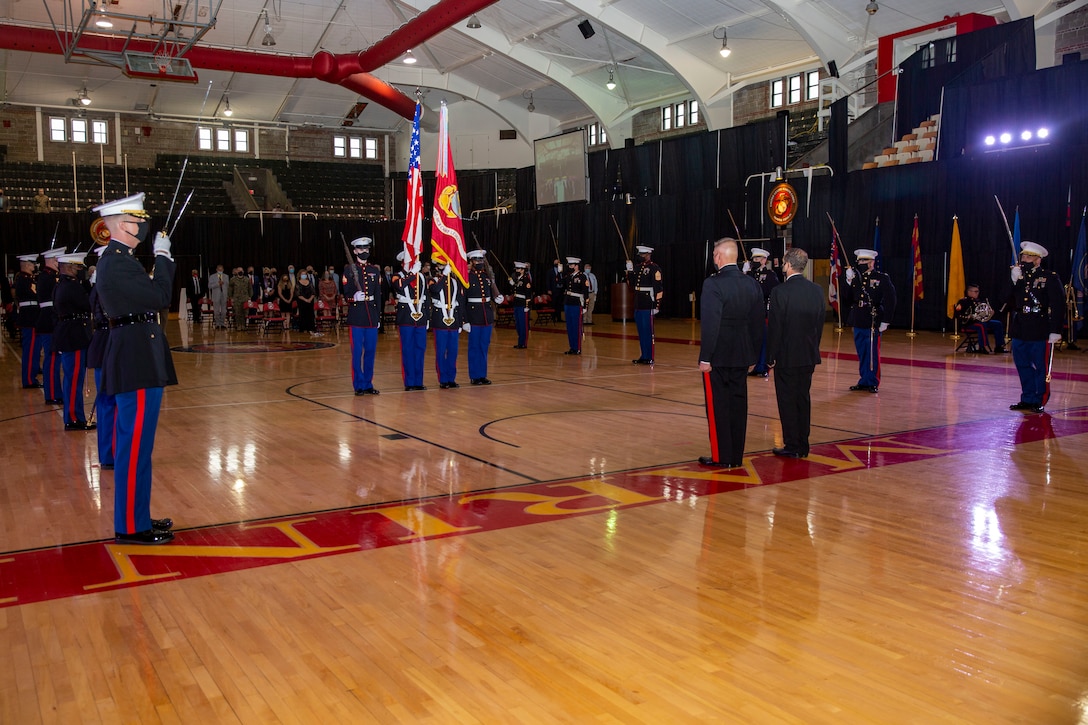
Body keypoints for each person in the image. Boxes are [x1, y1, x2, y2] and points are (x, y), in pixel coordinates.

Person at [93, 192, 176, 545]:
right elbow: (159, 298)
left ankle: (137, 517)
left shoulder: (120, 260)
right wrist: (163, 256)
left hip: (138, 355)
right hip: (136, 359)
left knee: (139, 447)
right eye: (138, 221)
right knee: (134, 447)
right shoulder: (117, 262)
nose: (142, 226)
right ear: (122, 225)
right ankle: (130, 526)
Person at [697, 237, 764, 468]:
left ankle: (721, 456)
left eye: (715, 255)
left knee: (718, 408)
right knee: (738, 405)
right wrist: (754, 355)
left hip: (718, 356)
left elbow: (710, 324)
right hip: (743, 355)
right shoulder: (752, 284)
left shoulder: (713, 284)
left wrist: (705, 357)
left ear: (718, 257)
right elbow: (757, 324)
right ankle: (735, 456)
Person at [767, 248, 825, 458]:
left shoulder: (780, 292)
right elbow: (819, 325)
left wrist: (770, 356)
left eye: (783, 263)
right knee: (803, 399)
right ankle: (803, 444)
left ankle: (792, 445)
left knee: (787, 401)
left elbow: (775, 328)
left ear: (789, 265)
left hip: (787, 356)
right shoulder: (817, 290)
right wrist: (813, 347)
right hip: (808, 355)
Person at [1007, 241, 1064, 413]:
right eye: (1023, 255)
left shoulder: (1049, 277)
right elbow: (1004, 299)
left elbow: (1058, 304)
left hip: (1039, 328)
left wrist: (1056, 330)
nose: (1025, 259)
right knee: (1022, 365)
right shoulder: (1019, 276)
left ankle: (1040, 399)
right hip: (1020, 328)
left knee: (1040, 366)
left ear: (1038, 260)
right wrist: (1013, 280)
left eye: (1029, 256)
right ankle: (1027, 398)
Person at [840, 248, 896, 393]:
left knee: (872, 353)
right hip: (858, 318)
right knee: (862, 352)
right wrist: (848, 281)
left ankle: (873, 381)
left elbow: (891, 300)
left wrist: (886, 321)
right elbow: (846, 297)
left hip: (873, 319)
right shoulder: (856, 279)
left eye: (864, 261)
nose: (861, 263)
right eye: (859, 261)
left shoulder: (881, 278)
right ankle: (864, 380)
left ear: (871, 262)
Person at [53, 252, 96, 431]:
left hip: (70, 333)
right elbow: (88, 304)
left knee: (74, 378)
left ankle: (75, 415)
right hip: (75, 335)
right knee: (74, 379)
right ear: (69, 268)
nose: (79, 271)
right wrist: (95, 285)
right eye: (78, 267)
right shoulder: (71, 287)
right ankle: (72, 417)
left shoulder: (63, 285)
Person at [343, 236, 382, 395]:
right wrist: (353, 298)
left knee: (371, 351)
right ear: (354, 251)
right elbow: (345, 293)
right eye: (360, 248)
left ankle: (368, 383)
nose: (364, 251)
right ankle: (358, 384)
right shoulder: (349, 270)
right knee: (357, 352)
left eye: (366, 248)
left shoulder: (374, 270)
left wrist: (378, 317)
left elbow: (378, 295)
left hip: (371, 316)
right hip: (357, 316)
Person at [87, 259, 116, 469]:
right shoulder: (104, 289)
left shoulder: (98, 288)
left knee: (107, 401)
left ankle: (108, 454)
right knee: (108, 401)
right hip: (109, 343)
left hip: (102, 343)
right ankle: (109, 454)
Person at [392, 251, 430, 390]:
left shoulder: (421, 277)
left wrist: (427, 318)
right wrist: (412, 273)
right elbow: (399, 286)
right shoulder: (397, 276)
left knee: (420, 349)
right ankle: (409, 382)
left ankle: (418, 381)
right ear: (403, 262)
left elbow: (425, 298)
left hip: (420, 317)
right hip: (406, 317)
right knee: (407, 349)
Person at [465, 249, 502, 384]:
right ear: (471, 262)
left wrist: (496, 297)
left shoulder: (487, 276)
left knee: (484, 346)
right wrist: (465, 320)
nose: (479, 262)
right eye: (476, 260)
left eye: (481, 260)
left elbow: (490, 291)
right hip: (474, 315)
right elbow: (463, 300)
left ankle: (482, 374)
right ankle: (474, 376)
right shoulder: (467, 277)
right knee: (474, 347)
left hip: (486, 314)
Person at [36, 247, 66, 405]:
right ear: (51, 260)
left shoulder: (47, 276)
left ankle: (55, 391)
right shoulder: (48, 278)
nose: (58, 263)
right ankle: (52, 393)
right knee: (52, 359)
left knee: (54, 359)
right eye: (57, 260)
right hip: (49, 321)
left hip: (49, 319)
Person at [744, 247, 780, 377]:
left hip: (763, 313)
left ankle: (763, 366)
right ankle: (754, 365)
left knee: (764, 340)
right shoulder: (750, 274)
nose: (755, 260)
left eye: (758, 258)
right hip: (750, 313)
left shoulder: (770, 275)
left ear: (764, 260)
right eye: (753, 258)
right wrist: (744, 274)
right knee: (752, 341)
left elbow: (768, 291)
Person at [429, 257, 465, 388]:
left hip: (454, 319)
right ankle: (443, 378)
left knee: (453, 351)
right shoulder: (433, 280)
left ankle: (451, 378)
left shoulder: (455, 282)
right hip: (440, 319)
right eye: (442, 265)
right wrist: (444, 275)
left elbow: (460, 303)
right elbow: (435, 290)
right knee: (441, 350)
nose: (444, 266)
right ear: (437, 267)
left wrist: (461, 322)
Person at [626, 245, 663, 365]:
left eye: (642, 254)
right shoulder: (638, 268)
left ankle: (649, 356)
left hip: (648, 303)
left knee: (648, 332)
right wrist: (630, 271)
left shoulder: (654, 268)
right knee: (641, 331)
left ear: (648, 254)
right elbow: (631, 284)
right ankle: (643, 355)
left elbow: (659, 288)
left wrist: (656, 306)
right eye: (640, 254)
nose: (641, 257)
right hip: (639, 303)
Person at [14, 253, 43, 388]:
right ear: (26, 265)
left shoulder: (28, 279)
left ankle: (33, 371)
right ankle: (29, 379)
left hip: (33, 316)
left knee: (35, 347)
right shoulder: (23, 279)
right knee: (30, 349)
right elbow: (35, 295)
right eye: (32, 264)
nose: (34, 266)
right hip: (29, 317)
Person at [953, 283, 1006, 354]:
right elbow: (957, 315)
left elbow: (984, 313)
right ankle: (983, 346)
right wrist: (969, 317)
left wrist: (989, 313)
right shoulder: (963, 302)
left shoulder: (979, 301)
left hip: (981, 321)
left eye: (978, 291)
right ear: (969, 292)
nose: (977, 293)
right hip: (969, 324)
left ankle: (999, 346)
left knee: (997, 324)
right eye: (975, 291)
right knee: (981, 326)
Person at [562, 256, 588, 355]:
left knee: (576, 326)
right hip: (568, 302)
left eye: (572, 265)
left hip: (577, 303)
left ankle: (577, 348)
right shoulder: (568, 276)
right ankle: (572, 347)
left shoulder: (582, 276)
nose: (570, 266)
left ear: (577, 266)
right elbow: (560, 284)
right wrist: (560, 273)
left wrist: (585, 306)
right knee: (570, 326)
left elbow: (586, 292)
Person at [510, 261, 532, 349]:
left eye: (518, 269)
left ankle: (523, 343)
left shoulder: (526, 279)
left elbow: (528, 294)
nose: (517, 270)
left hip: (523, 304)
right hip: (517, 303)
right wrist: (512, 284)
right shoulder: (518, 279)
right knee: (518, 324)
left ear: (523, 270)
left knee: (523, 325)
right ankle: (520, 342)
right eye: (516, 269)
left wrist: (527, 306)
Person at [228, 267, 252, 332]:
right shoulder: (233, 280)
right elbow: (230, 290)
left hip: (245, 298)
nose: (240, 272)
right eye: (239, 271)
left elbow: (250, 288)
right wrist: (231, 298)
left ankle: (243, 325)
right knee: (238, 313)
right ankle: (238, 325)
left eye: (241, 270)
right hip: (236, 299)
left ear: (243, 271)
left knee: (245, 313)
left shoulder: (247, 279)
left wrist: (250, 296)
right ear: (236, 272)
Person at [208, 264, 228, 328]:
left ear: (223, 270)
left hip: (224, 296)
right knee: (216, 311)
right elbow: (209, 286)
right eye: (219, 270)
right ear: (216, 270)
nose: (220, 271)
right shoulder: (212, 276)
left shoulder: (226, 276)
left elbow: (228, 286)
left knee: (224, 311)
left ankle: (222, 323)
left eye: (221, 269)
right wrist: (217, 284)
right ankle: (217, 323)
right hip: (216, 296)